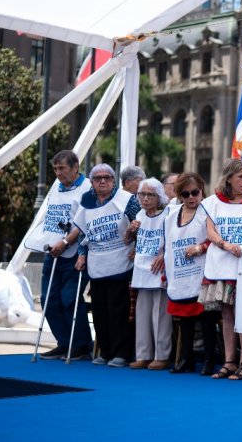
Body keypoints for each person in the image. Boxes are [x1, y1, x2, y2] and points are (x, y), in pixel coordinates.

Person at [200, 159, 242, 380]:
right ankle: (229, 360)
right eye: (241, 177)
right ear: (229, 178)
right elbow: (210, 232)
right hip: (222, 263)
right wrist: (226, 245)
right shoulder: (212, 202)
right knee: (227, 314)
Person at [25, 150, 92, 360]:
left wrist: (65, 242)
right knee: (48, 299)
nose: (58, 173)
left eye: (62, 168)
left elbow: (83, 223)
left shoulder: (87, 188)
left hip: (74, 252)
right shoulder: (57, 188)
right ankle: (64, 342)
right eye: (55, 169)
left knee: (69, 299)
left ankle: (80, 345)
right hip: (52, 251)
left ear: (75, 167)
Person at [72, 164, 141, 367]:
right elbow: (83, 232)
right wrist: (81, 255)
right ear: (92, 182)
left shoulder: (126, 199)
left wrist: (137, 248)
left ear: (113, 181)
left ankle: (121, 353)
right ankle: (105, 350)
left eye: (107, 177)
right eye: (98, 178)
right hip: (97, 262)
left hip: (121, 260)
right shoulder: (86, 201)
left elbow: (140, 224)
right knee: (100, 311)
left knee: (118, 311)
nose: (103, 181)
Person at [163, 173, 219, 375]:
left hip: (202, 272)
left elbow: (215, 239)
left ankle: (209, 360)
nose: (191, 197)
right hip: (179, 273)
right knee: (183, 320)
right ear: (180, 195)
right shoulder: (171, 215)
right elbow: (168, 246)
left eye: (195, 192)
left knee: (206, 320)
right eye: (185, 194)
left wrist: (200, 248)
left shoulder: (208, 211)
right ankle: (185, 359)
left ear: (202, 190)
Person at [125, 178, 172, 370]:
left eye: (150, 195)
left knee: (160, 315)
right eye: (141, 194)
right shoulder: (139, 215)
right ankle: (143, 354)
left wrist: (164, 255)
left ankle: (161, 355)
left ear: (159, 196)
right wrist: (129, 231)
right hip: (142, 269)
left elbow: (174, 238)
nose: (144, 198)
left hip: (159, 269)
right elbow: (127, 241)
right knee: (142, 314)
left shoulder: (167, 215)